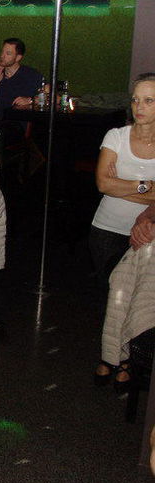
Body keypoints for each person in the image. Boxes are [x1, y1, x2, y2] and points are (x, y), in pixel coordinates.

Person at [91, 73, 155, 388]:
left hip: (146, 233)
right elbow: (103, 183)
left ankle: (126, 358)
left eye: (148, 100)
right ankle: (109, 355)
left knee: (137, 298)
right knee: (112, 296)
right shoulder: (116, 135)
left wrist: (124, 185)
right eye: (135, 100)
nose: (139, 106)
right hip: (106, 228)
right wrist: (147, 186)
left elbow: (114, 184)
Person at [0, 38, 43, 119]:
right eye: (2, 52)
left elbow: (54, 97)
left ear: (18, 58)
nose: (2, 56)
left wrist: (31, 100)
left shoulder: (31, 75)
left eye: (8, 53)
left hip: (18, 122)